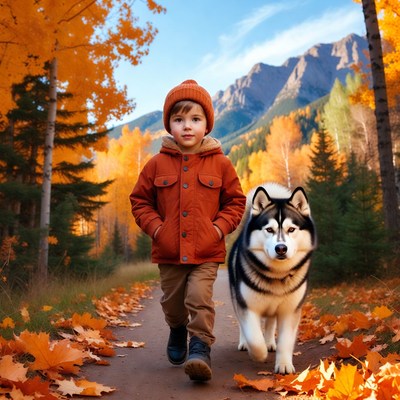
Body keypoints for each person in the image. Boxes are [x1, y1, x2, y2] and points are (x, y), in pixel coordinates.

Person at [129, 79, 246, 382]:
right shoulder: (156, 164)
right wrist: (157, 229)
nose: (187, 126)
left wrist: (218, 229)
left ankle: (200, 349)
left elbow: (235, 202)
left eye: (195, 119)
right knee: (173, 302)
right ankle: (177, 329)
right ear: (169, 124)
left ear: (207, 124)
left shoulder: (221, 163)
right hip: (168, 251)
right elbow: (140, 201)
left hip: (207, 250)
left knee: (199, 298)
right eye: (179, 119)